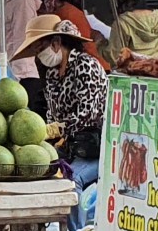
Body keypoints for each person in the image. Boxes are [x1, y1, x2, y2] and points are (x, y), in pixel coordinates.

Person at [17, 14, 107, 173]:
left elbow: (87, 115)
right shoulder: (52, 73)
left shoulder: (86, 65)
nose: (39, 56)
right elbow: (52, 112)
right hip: (67, 146)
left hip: (93, 145)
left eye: (40, 50)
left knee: (73, 180)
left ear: (56, 43)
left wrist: (57, 129)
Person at [41, 0, 110, 70]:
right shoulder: (73, 11)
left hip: (88, 68)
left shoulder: (60, 16)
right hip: (98, 65)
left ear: (50, 0)